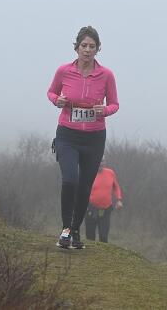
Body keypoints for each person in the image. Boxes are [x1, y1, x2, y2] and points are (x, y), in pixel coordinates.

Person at [47, 26, 119, 249]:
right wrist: (57, 100)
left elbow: (115, 104)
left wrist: (104, 111)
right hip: (67, 135)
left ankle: (75, 230)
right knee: (70, 180)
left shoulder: (106, 75)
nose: (87, 50)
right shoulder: (64, 71)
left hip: (94, 138)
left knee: (85, 186)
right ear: (77, 48)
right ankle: (66, 229)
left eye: (92, 46)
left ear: (98, 49)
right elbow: (51, 92)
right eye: (84, 46)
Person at [85, 163, 123, 243]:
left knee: (103, 236)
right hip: (91, 209)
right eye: (98, 160)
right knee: (90, 237)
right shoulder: (88, 173)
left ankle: (103, 250)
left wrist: (119, 199)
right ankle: (91, 250)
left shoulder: (110, 173)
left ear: (104, 162)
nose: (100, 163)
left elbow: (116, 187)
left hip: (106, 209)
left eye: (102, 161)